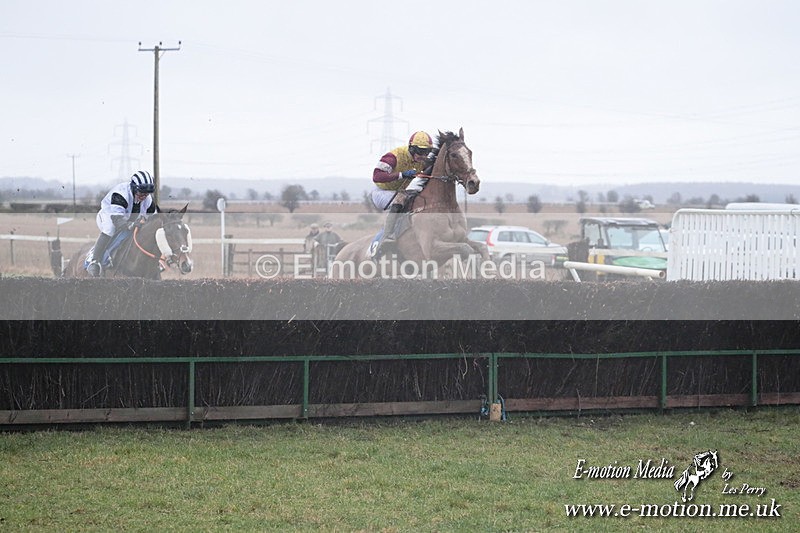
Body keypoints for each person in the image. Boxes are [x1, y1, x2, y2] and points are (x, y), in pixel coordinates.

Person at [369, 131, 434, 257]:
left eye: (427, 152)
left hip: (399, 191)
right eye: (420, 152)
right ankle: (387, 236)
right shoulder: (393, 157)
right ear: (411, 148)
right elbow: (376, 176)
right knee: (402, 197)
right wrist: (401, 175)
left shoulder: (423, 160)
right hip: (381, 192)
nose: (424, 156)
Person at [85, 170, 159, 277]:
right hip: (109, 215)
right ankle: (95, 261)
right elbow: (118, 221)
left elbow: (152, 219)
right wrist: (131, 225)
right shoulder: (120, 194)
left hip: (128, 217)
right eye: (141, 193)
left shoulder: (148, 199)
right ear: (134, 188)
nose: (144, 196)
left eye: (147, 193)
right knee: (110, 229)